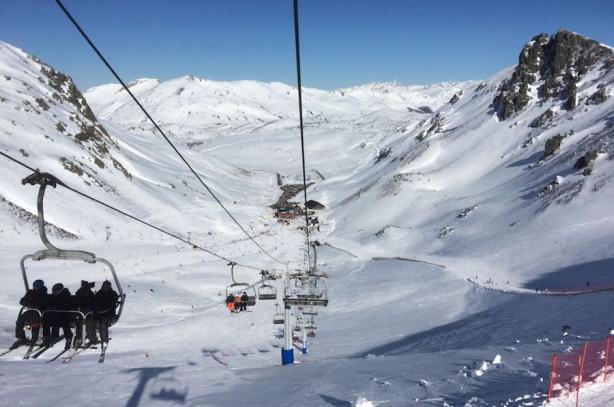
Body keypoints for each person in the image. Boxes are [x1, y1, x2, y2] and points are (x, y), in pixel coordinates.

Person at [12, 279, 47, 348]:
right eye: (34, 287)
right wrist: (30, 303)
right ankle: (21, 338)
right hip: (31, 311)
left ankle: (35, 338)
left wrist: (30, 303)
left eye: (36, 287)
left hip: (39, 312)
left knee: (34, 322)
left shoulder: (44, 293)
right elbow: (22, 301)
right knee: (20, 321)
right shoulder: (30, 292)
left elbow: (41, 304)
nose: (35, 288)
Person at [45, 283, 74, 349]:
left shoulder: (66, 295)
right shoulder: (52, 296)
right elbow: (48, 302)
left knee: (64, 323)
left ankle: (69, 338)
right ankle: (52, 336)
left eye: (56, 291)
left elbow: (69, 305)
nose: (55, 293)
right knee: (49, 321)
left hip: (66, 315)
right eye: (54, 292)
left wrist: (59, 307)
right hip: (56, 315)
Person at [94, 280, 119, 345]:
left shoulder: (113, 294)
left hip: (108, 314)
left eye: (106, 287)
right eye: (104, 287)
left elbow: (111, 306)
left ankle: (104, 340)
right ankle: (92, 338)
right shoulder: (100, 293)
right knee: (88, 321)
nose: (105, 288)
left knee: (102, 324)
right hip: (99, 313)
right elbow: (95, 301)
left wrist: (101, 310)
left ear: (109, 287)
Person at [74, 280, 97, 347]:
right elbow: (78, 301)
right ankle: (79, 338)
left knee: (89, 323)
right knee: (79, 322)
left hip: (89, 313)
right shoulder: (80, 293)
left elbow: (93, 304)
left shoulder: (90, 294)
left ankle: (92, 338)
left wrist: (94, 312)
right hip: (82, 312)